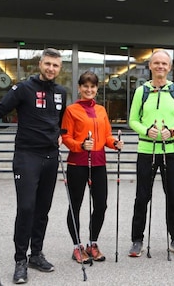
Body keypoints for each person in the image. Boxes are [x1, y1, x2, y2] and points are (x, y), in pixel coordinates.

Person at [0, 48, 67, 284]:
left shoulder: (61, 92)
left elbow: (61, 120)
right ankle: (20, 260)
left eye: (55, 65)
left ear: (60, 68)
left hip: (50, 157)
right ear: (40, 64)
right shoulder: (23, 89)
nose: (51, 69)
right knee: (27, 207)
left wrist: (62, 134)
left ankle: (36, 254)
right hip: (27, 156)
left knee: (42, 210)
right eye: (47, 64)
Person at [127, 50, 174, 257]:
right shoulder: (141, 91)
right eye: (156, 63)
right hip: (146, 149)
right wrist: (146, 131)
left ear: (169, 67)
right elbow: (132, 120)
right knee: (142, 196)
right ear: (150, 66)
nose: (160, 66)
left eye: (164, 63)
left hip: (171, 150)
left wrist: (172, 131)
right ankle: (137, 240)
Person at [61, 71, 124, 263]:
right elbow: (65, 137)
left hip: (98, 163)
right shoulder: (71, 110)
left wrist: (115, 143)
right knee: (76, 205)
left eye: (93, 86)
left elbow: (106, 136)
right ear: (79, 88)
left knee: (101, 205)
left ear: (97, 89)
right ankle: (77, 246)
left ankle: (92, 243)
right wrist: (79, 145)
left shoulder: (101, 110)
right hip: (77, 163)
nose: (89, 90)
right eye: (85, 86)